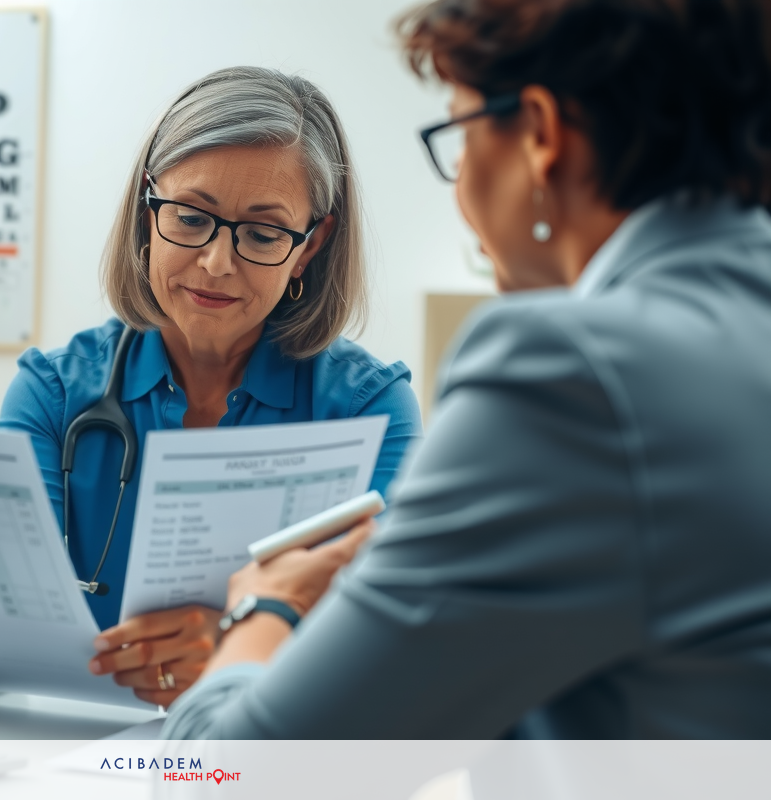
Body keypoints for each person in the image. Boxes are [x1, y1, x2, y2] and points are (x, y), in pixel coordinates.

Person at [163, 0, 771, 738]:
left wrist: (264, 606)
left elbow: (233, 776)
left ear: (540, 136)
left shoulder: (569, 376)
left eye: (459, 133)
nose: (461, 191)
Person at [0, 67, 424, 710]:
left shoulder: (369, 408)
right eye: (192, 217)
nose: (216, 263)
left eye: (262, 234)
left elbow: (395, 642)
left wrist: (248, 645)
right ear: (147, 209)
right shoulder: (54, 392)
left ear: (310, 247)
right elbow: (0, 627)